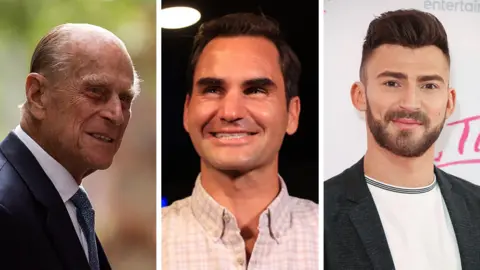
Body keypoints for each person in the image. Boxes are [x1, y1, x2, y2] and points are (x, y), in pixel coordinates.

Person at [324, 9, 480, 270]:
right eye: (392, 83)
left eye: (429, 86)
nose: (410, 103)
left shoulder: (476, 207)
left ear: (449, 101)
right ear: (359, 95)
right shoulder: (323, 215)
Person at [162, 13, 318, 269]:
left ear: (292, 113)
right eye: (213, 90)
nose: (231, 112)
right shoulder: (155, 240)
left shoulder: (328, 235)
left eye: (255, 90)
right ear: (187, 111)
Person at [0, 23, 140, 270]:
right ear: (37, 95)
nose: (116, 115)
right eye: (96, 92)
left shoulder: (68, 201)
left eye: (125, 99)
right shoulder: (6, 208)